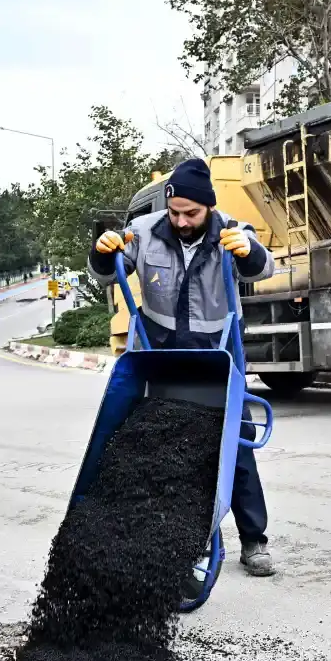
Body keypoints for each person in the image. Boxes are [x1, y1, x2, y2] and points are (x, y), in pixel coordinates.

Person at [86, 157, 279, 577]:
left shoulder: (230, 229)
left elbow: (264, 266)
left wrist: (248, 252)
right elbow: (106, 272)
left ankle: (254, 540)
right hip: (163, 357)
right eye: (175, 212)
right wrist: (102, 252)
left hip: (217, 354)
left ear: (208, 207)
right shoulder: (144, 232)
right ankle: (167, 538)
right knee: (164, 449)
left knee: (238, 446)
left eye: (190, 213)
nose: (181, 221)